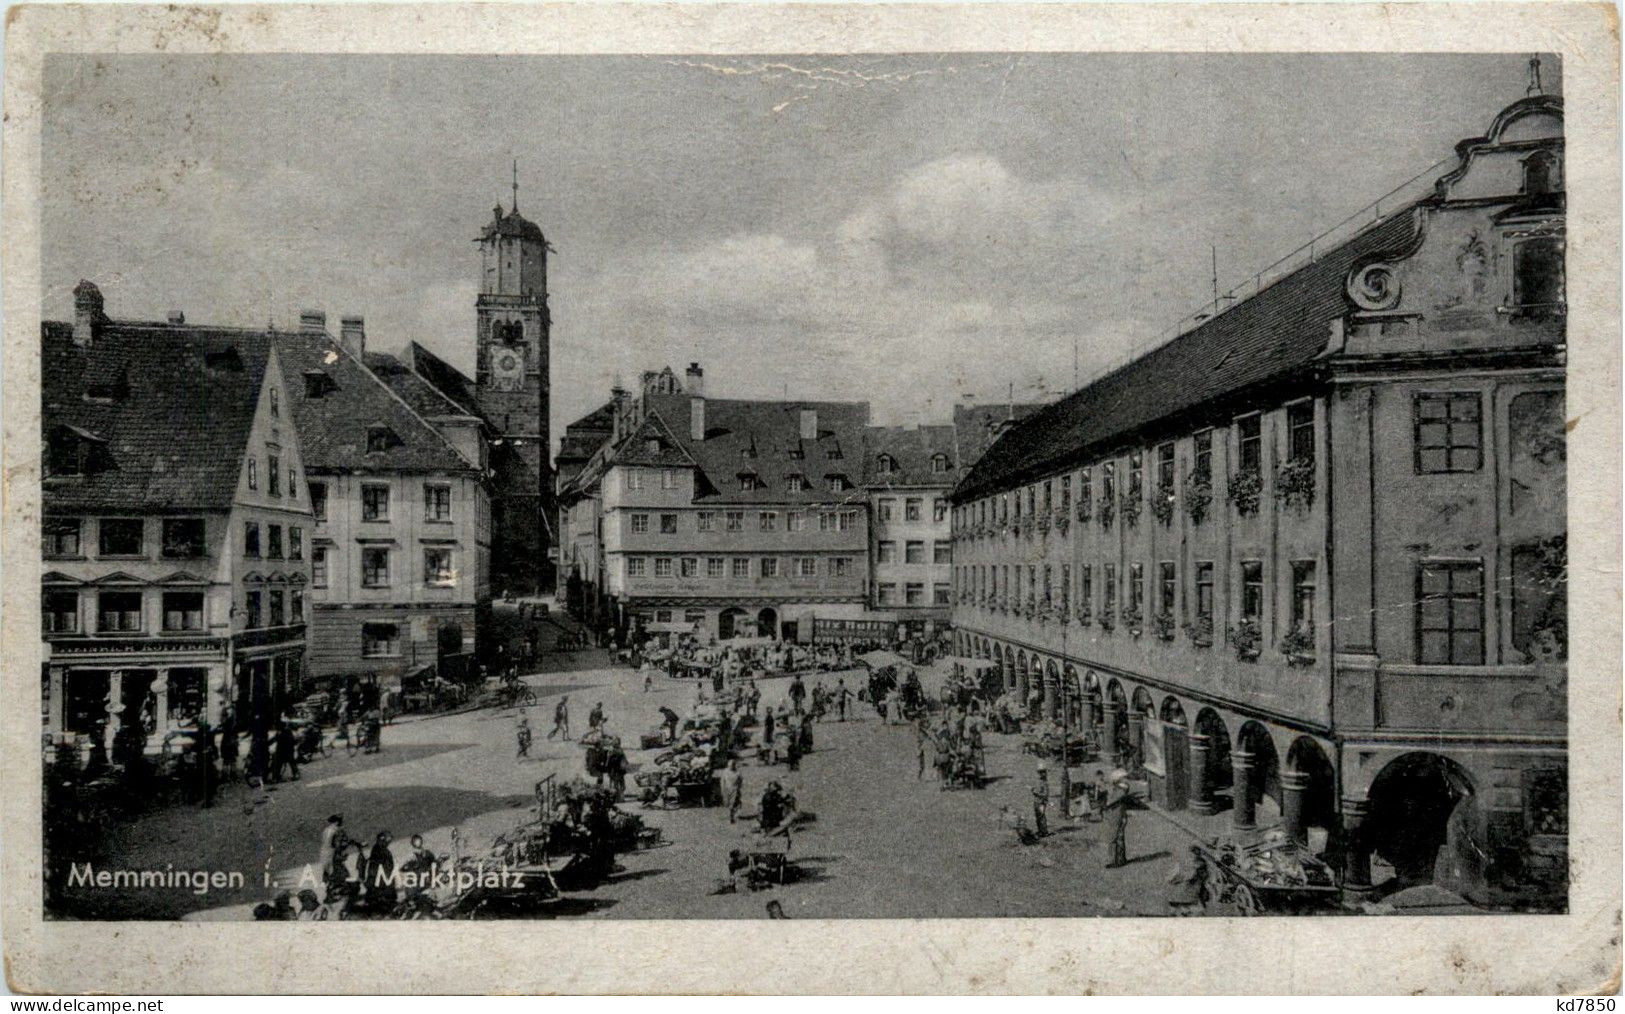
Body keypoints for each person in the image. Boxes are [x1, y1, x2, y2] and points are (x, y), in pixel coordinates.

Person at [1167, 844, 1210, 915]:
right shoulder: (1195, 861)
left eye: (1195, 851)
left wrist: (1182, 879)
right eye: (1193, 851)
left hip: (1194, 888)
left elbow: (1195, 876)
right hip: (1193, 887)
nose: (1193, 853)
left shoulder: (1200, 863)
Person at [1104, 769, 1134, 868]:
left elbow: (1109, 802)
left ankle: (1113, 860)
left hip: (1116, 815)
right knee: (1120, 837)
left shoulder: (1120, 790)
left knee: (1113, 837)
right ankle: (1121, 859)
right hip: (1120, 815)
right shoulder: (1120, 789)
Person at [366, 831, 398, 912]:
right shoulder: (380, 851)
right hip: (381, 885)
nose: (389, 842)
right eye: (388, 840)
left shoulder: (380, 850)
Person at [719, 759, 744, 823]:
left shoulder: (738, 772)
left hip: (735, 790)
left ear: (734, 765)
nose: (731, 766)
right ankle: (731, 815)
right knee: (728, 804)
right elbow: (722, 782)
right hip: (727, 790)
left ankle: (731, 817)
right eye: (729, 765)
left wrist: (739, 789)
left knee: (733, 804)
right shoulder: (725, 772)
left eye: (732, 765)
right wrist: (722, 789)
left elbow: (740, 781)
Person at [1032, 764, 1050, 838]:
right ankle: (1040, 831)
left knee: (1041, 816)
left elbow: (1045, 794)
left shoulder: (1044, 783)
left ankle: (1044, 832)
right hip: (1036, 801)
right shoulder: (1039, 782)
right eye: (1039, 772)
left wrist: (1037, 793)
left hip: (1041, 802)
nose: (1040, 774)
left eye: (1042, 772)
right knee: (1038, 817)